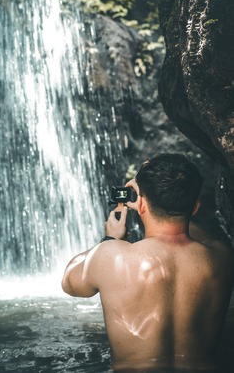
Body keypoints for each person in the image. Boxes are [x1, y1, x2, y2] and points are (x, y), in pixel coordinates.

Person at [61, 154, 234, 372]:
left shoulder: (111, 256)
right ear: (195, 208)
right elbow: (202, 235)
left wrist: (109, 239)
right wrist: (176, 207)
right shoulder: (222, 257)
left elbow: (69, 282)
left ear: (140, 203)